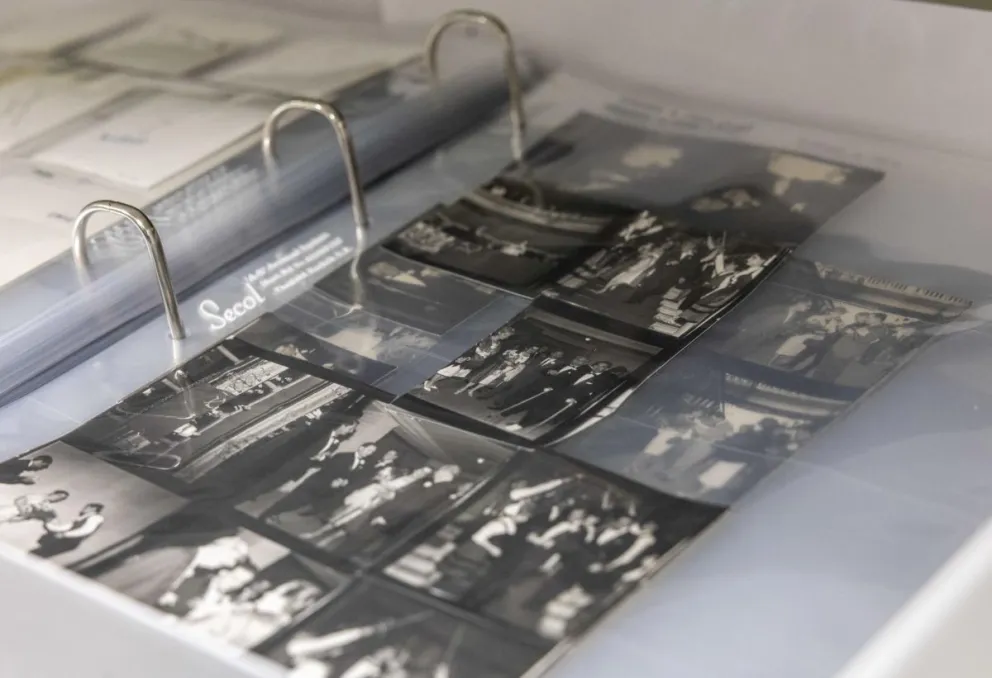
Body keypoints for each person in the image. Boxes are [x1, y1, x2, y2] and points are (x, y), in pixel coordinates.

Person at [30, 503, 105, 559]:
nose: (83, 509)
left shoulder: (96, 518)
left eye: (86, 507)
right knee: (37, 554)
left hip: (68, 542)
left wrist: (64, 535)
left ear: (93, 509)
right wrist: (48, 523)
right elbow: (64, 527)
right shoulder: (81, 518)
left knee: (37, 555)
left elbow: (86, 530)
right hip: (63, 540)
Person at [0, 490, 68, 525]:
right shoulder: (39, 496)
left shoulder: (47, 506)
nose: (59, 498)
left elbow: (33, 515)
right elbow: (18, 500)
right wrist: (24, 513)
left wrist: (24, 517)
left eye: (62, 498)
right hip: (9, 510)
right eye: (59, 495)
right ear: (54, 493)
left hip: (13, 517)